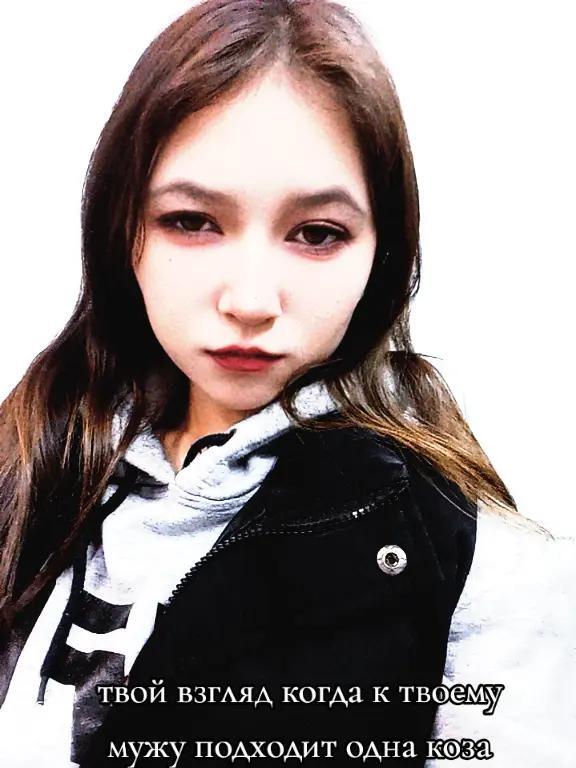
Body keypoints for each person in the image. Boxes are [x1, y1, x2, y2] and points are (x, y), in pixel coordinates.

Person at [0, 1, 573, 766]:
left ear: (382, 256)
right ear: (120, 229)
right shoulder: (31, 465)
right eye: (192, 221)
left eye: (316, 234)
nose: (250, 300)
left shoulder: (477, 564)